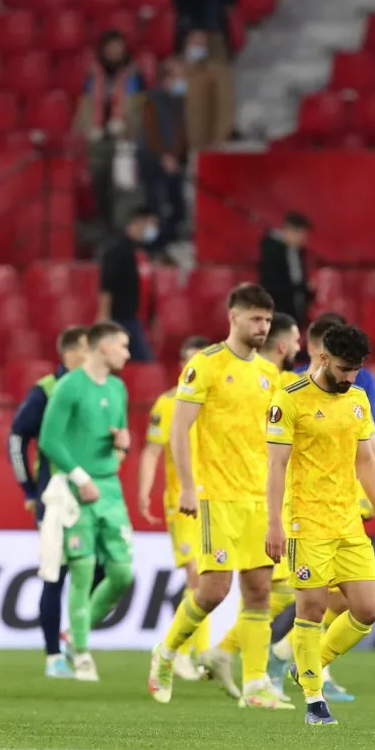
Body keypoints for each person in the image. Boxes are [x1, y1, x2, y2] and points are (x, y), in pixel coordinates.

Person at [147, 283, 292, 710]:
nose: (262, 327)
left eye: (267, 320)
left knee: (259, 590)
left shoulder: (269, 374)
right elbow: (179, 428)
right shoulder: (206, 364)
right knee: (213, 590)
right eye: (255, 319)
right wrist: (187, 485)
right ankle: (166, 653)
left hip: (258, 498)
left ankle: (255, 685)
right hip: (216, 496)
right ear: (233, 317)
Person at [264, 312, 375, 702]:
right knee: (312, 609)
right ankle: (314, 698)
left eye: (356, 369)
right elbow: (276, 465)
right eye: (344, 368)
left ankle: (307, 665)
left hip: (348, 520)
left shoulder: (358, 400)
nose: (350, 377)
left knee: (367, 610)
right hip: (306, 520)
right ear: (323, 358)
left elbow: (365, 460)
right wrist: (274, 523)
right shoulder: (290, 399)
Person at [201, 313, 302, 699]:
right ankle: (249, 665)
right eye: (295, 341)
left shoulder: (283, 384)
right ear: (283, 345)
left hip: (270, 499)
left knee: (280, 589)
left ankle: (231, 657)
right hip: (247, 499)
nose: (298, 348)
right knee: (267, 588)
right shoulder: (267, 385)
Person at [37, 321, 134, 683]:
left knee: (122, 573)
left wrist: (123, 443)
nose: (128, 353)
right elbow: (49, 440)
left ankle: (71, 635)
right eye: (122, 346)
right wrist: (80, 478)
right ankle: (81, 654)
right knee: (81, 572)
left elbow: (119, 437)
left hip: (110, 490)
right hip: (76, 492)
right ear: (104, 347)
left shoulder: (118, 388)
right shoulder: (69, 386)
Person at [7, 326, 89, 678]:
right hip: (55, 495)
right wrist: (28, 489)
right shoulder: (46, 390)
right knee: (55, 576)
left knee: (107, 569)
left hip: (91, 497)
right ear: (70, 353)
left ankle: (72, 635)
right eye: (87, 349)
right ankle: (54, 656)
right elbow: (17, 438)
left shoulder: (96, 389)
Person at [138, 334, 210, 683]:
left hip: (216, 501)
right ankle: (182, 652)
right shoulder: (168, 403)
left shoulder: (216, 403)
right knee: (196, 576)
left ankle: (198, 654)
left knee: (209, 579)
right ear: (182, 364)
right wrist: (144, 491)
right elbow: (152, 451)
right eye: (189, 360)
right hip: (181, 502)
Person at [77, 30, 146, 230]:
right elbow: (86, 104)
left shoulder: (134, 75)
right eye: (111, 48)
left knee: (122, 186)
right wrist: (84, 129)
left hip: (124, 139)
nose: (115, 52)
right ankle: (105, 224)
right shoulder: (94, 74)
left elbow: (140, 107)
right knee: (100, 182)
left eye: (118, 47)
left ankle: (120, 229)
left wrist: (130, 128)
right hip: (98, 139)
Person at [138, 58, 189, 250]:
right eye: (179, 77)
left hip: (173, 162)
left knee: (178, 208)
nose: (183, 81)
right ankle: (152, 248)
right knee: (157, 208)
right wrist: (164, 156)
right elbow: (150, 133)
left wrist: (180, 156)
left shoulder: (179, 102)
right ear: (166, 79)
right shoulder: (153, 101)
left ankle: (167, 243)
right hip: (153, 162)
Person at [98, 207, 158, 361]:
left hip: (139, 318)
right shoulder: (117, 250)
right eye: (150, 224)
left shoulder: (141, 251)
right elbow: (107, 285)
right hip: (122, 318)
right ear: (138, 223)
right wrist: (104, 315)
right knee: (143, 362)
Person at [182, 29, 235, 151]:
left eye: (201, 44)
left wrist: (220, 137)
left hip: (203, 140)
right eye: (193, 42)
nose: (196, 47)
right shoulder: (176, 68)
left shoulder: (216, 72)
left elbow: (224, 105)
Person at [258, 213, 313, 324]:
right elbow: (272, 284)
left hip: (295, 312)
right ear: (289, 231)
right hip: (279, 313)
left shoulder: (298, 253)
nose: (303, 239)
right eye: (301, 234)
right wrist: (301, 287)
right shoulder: (272, 251)